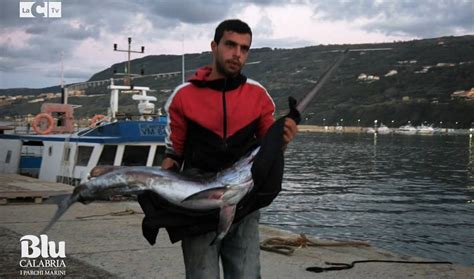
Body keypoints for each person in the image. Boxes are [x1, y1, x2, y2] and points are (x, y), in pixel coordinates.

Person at [161, 19, 298, 278]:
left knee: (246, 274)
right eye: (231, 45)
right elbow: (173, 155)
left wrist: (285, 141)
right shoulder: (183, 96)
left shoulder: (258, 96)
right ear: (214, 46)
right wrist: (159, 199)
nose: (237, 54)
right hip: (197, 203)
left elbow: (268, 151)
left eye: (244, 48)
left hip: (244, 203)